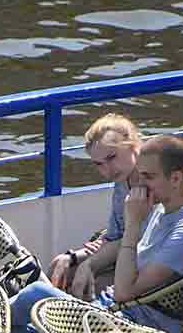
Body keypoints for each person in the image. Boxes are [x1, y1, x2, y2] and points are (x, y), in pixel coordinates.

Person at [5, 133, 183, 333]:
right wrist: (84, 261)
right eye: (140, 175)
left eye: (149, 177)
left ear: (176, 178)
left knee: (35, 293)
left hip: (135, 331)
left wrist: (133, 223)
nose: (140, 185)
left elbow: (124, 292)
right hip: (109, 313)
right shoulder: (163, 207)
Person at [46, 113, 142, 301]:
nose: (107, 170)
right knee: (59, 264)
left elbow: (140, 240)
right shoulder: (122, 181)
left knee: (85, 287)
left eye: (112, 157)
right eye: (99, 164)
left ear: (133, 144)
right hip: (121, 258)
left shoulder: (153, 179)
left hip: (146, 265)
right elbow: (114, 237)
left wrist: (91, 264)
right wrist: (72, 258)